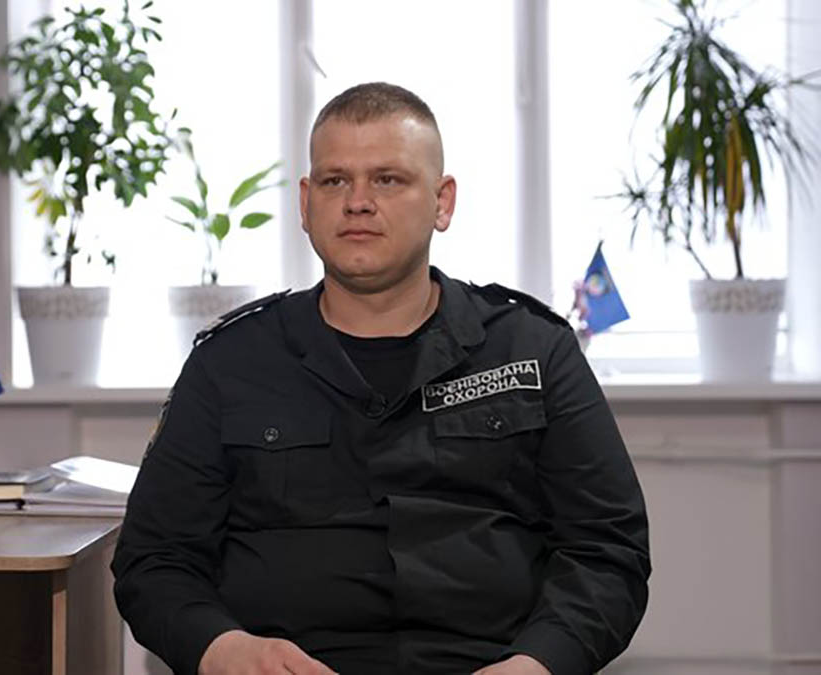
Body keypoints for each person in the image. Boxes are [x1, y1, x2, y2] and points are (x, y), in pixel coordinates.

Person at [112, 82, 650, 675]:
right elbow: (154, 559)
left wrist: (538, 664)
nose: (358, 202)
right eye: (335, 181)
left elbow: (607, 550)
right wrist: (224, 650)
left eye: (388, 180)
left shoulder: (534, 351)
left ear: (442, 202)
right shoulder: (230, 362)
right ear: (305, 203)